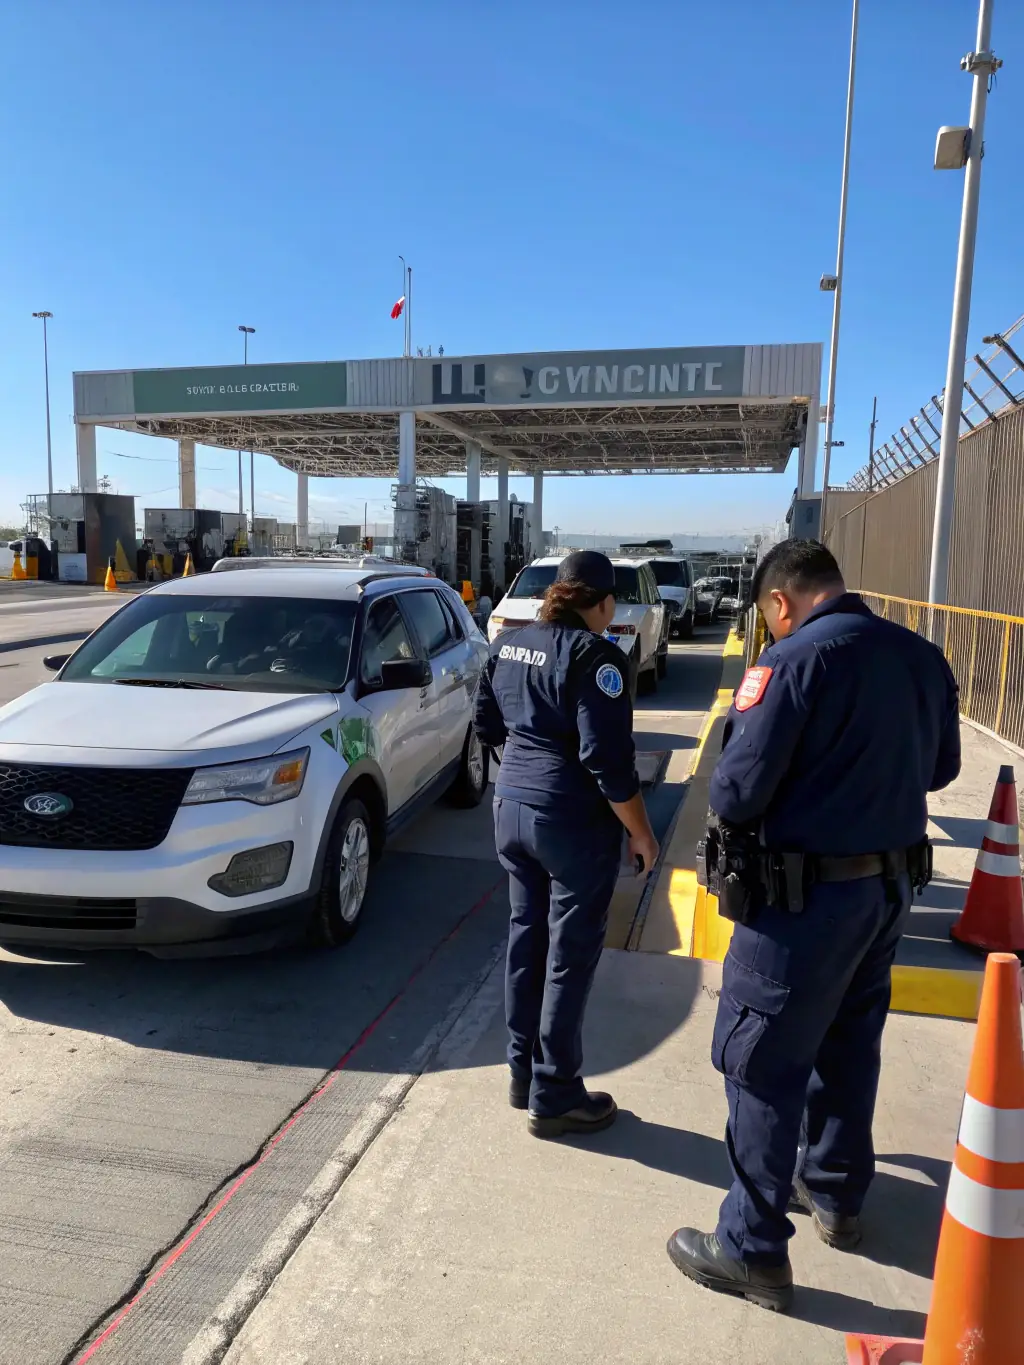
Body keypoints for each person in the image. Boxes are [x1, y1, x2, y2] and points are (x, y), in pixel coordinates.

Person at [666, 540, 960, 1312]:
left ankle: (751, 1249)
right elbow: (943, 769)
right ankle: (834, 1194)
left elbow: (734, 793)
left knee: (760, 1063)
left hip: (802, 905)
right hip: (889, 892)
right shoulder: (922, 656)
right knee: (850, 1041)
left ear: (779, 603)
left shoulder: (790, 664)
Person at [473, 550, 659, 1139]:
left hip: (511, 809)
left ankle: (522, 1073)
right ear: (601, 602)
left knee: (526, 939)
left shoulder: (508, 645)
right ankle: (555, 1094)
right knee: (569, 956)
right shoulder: (595, 657)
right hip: (570, 824)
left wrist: (525, 778)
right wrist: (642, 833)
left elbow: (486, 726)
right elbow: (607, 760)